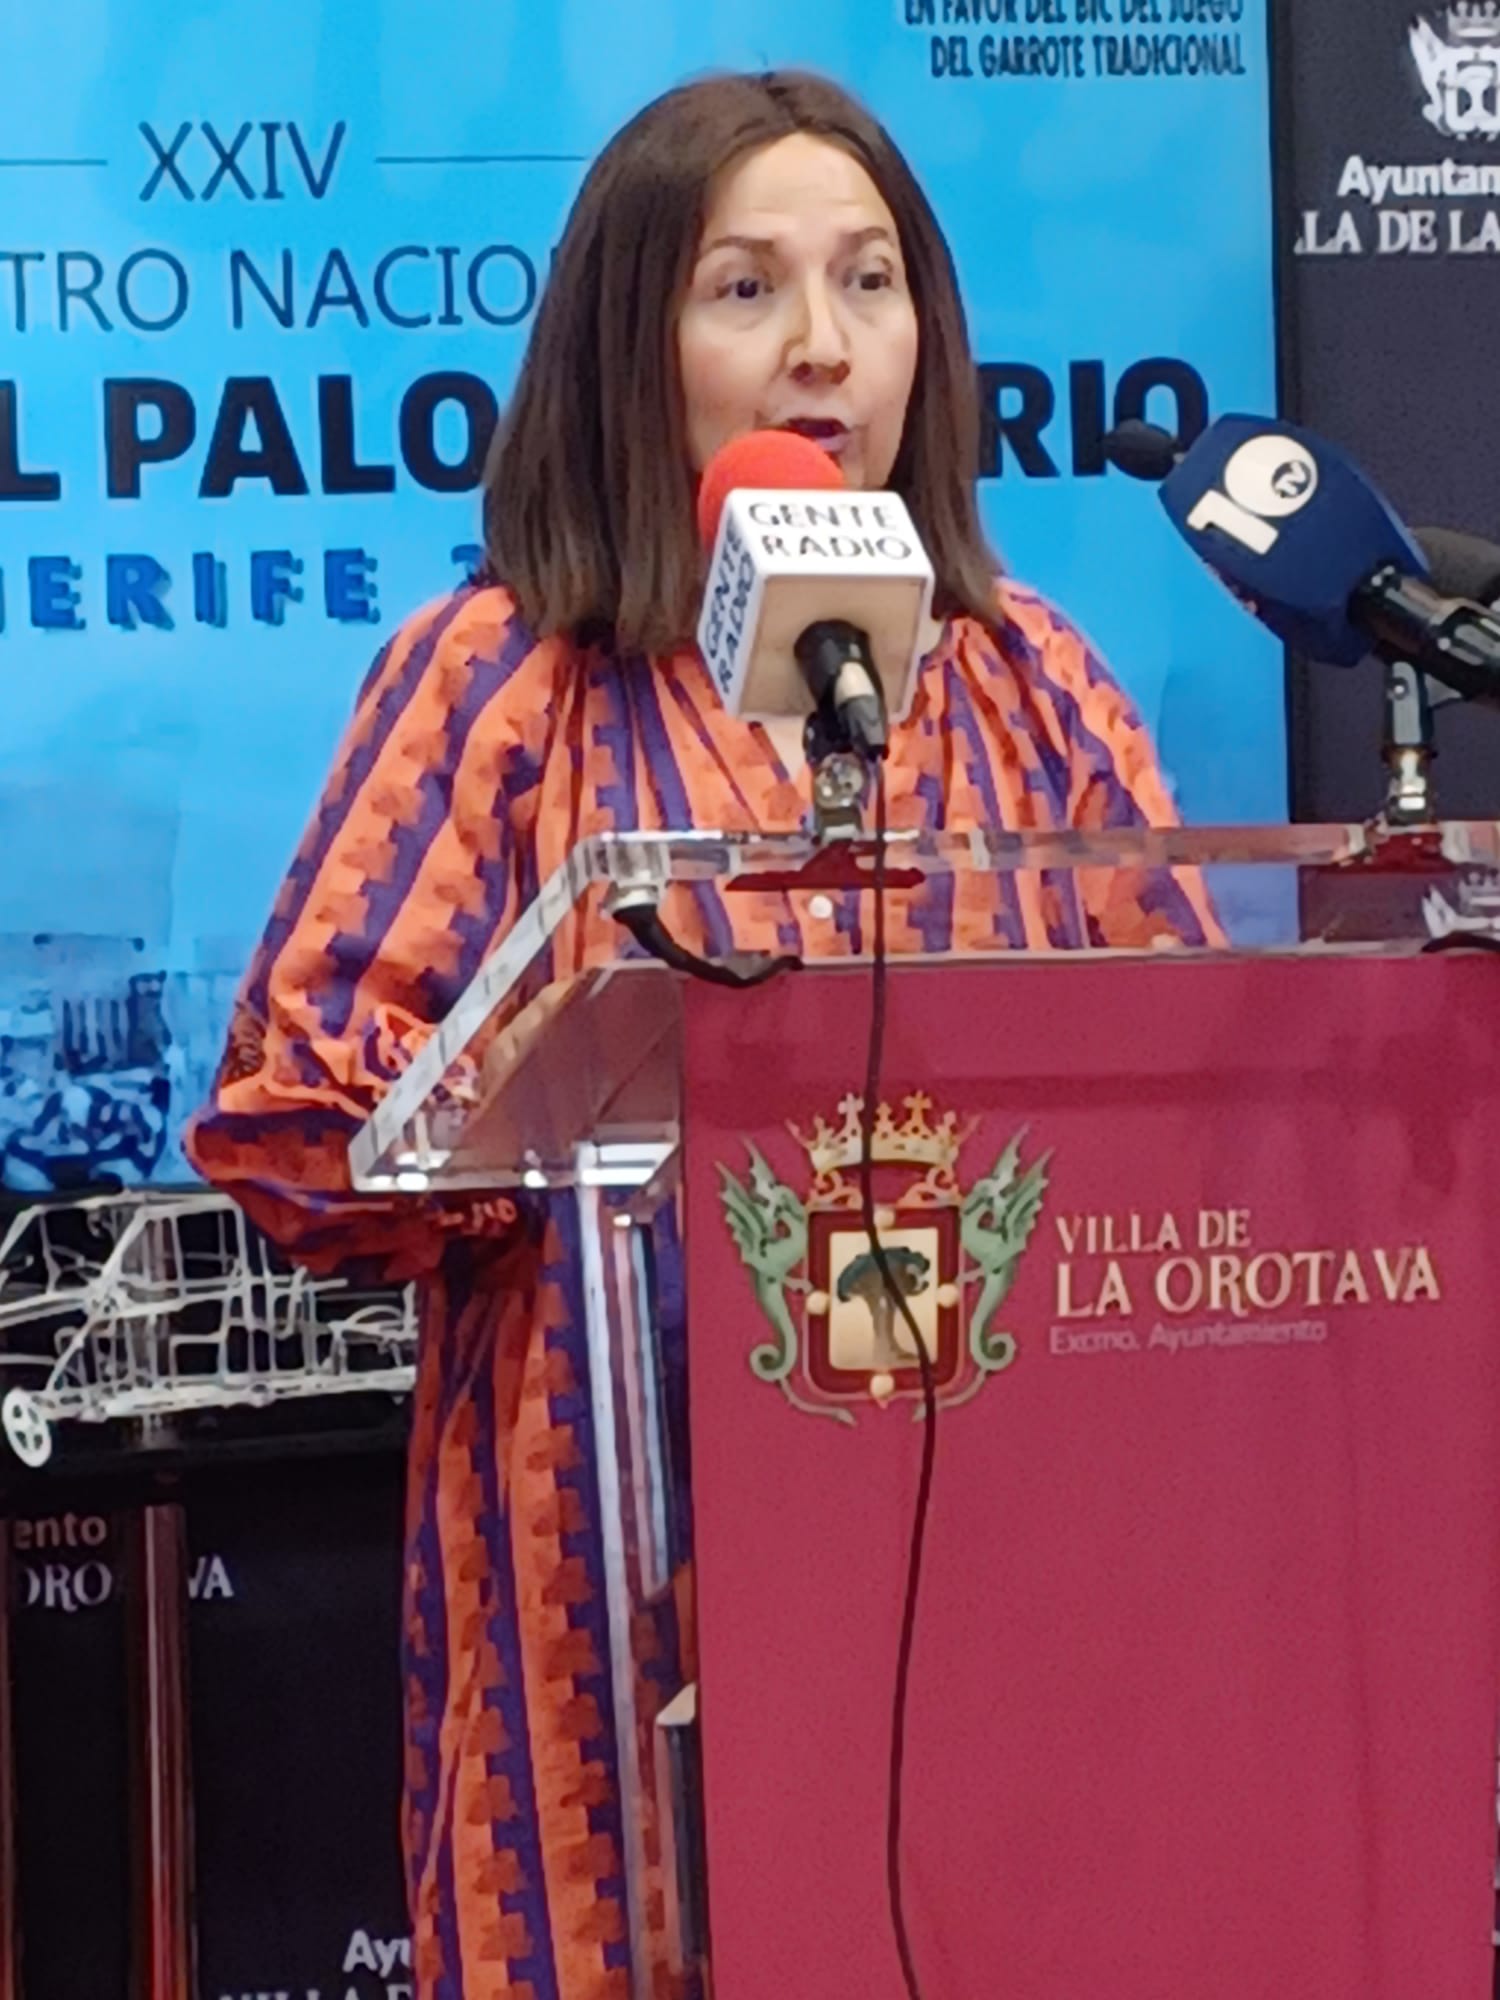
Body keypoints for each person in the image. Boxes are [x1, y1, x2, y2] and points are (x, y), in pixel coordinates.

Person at [187, 68, 1218, 2000]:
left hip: (1008, 1562)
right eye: (746, 289)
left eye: (871, 282)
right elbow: (294, 1111)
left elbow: (1181, 1096)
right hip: (609, 1577)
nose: (825, 345)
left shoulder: (1034, 681)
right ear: (629, 346)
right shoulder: (503, 680)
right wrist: (578, 1130)